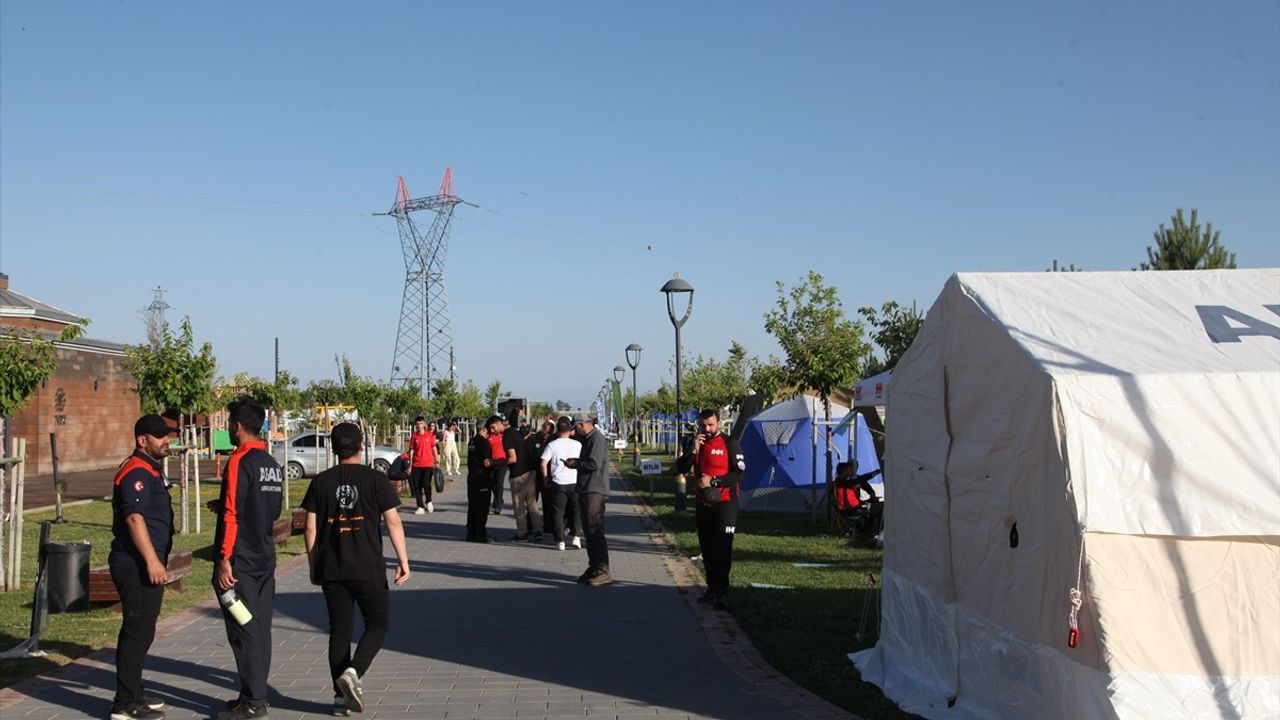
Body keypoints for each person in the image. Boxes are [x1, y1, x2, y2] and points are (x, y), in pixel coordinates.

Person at [302, 423, 410, 717]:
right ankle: (354, 672)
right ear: (361, 446)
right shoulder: (376, 479)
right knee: (378, 624)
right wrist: (403, 560)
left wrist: (314, 565)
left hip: (333, 567)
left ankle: (340, 699)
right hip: (368, 567)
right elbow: (393, 522)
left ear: (333, 449)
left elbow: (310, 527)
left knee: (339, 631)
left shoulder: (320, 482)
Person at [212, 398, 284, 720]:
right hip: (265, 558)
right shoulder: (271, 462)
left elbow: (232, 513)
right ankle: (254, 694)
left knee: (243, 628)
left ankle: (253, 703)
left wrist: (224, 558)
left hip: (239, 562)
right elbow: (273, 509)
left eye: (229, 424)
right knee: (260, 627)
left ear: (237, 426)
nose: (228, 429)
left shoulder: (240, 461)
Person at [107, 415, 178, 720]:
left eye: (168, 435)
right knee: (137, 631)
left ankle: (134, 692)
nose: (167, 440)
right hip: (134, 564)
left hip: (144, 562)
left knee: (143, 630)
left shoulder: (149, 470)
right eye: (160, 436)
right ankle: (124, 704)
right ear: (142, 440)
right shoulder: (136, 471)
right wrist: (151, 561)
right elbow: (134, 519)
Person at [676, 409, 746, 609]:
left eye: (711, 425)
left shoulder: (730, 443)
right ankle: (711, 588)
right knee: (707, 548)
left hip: (726, 504)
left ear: (719, 423)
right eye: (703, 425)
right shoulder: (697, 443)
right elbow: (681, 468)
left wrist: (714, 481)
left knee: (722, 547)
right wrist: (693, 450)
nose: (707, 429)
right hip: (703, 504)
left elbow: (739, 474)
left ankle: (722, 591)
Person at [563, 415, 611, 585]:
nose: (575, 431)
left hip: (595, 489)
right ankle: (594, 567)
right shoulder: (587, 439)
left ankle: (602, 570)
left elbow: (594, 464)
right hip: (586, 488)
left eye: (576, 428)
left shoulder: (597, 439)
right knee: (589, 531)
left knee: (595, 529)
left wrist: (575, 464)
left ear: (584, 424)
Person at [540, 416, 582, 551]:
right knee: (576, 510)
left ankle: (560, 541)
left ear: (557, 431)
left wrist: (546, 477)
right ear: (570, 430)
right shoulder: (578, 445)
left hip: (558, 482)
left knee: (558, 511)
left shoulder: (552, 444)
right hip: (575, 481)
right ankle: (576, 537)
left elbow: (543, 463)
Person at [506, 419, 541, 542]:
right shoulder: (522, 439)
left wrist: (499, 462)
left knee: (518, 504)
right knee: (532, 503)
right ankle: (538, 530)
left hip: (518, 474)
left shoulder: (510, 437)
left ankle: (522, 532)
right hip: (530, 472)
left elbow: (512, 458)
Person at [465, 423, 496, 542]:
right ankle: (480, 534)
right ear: (484, 429)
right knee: (482, 507)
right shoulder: (483, 443)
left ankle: (471, 533)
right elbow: (486, 461)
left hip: (472, 476)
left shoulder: (472, 441)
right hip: (481, 478)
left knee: (472, 506)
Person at [407, 417, 438, 514]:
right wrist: (410, 466)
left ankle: (429, 501)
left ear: (424, 424)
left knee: (426, 484)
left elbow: (434, 449)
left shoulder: (430, 435)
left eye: (421, 423)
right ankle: (420, 506)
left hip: (428, 464)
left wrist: (436, 461)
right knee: (417, 486)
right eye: (417, 424)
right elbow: (411, 451)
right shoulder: (414, 436)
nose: (419, 425)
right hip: (416, 465)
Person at [485, 415, 515, 514]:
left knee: (499, 483)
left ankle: (498, 505)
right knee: (491, 483)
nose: (492, 430)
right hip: (492, 462)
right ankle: (499, 499)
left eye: (493, 427)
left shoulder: (504, 435)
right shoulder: (490, 436)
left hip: (502, 462)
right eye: (491, 428)